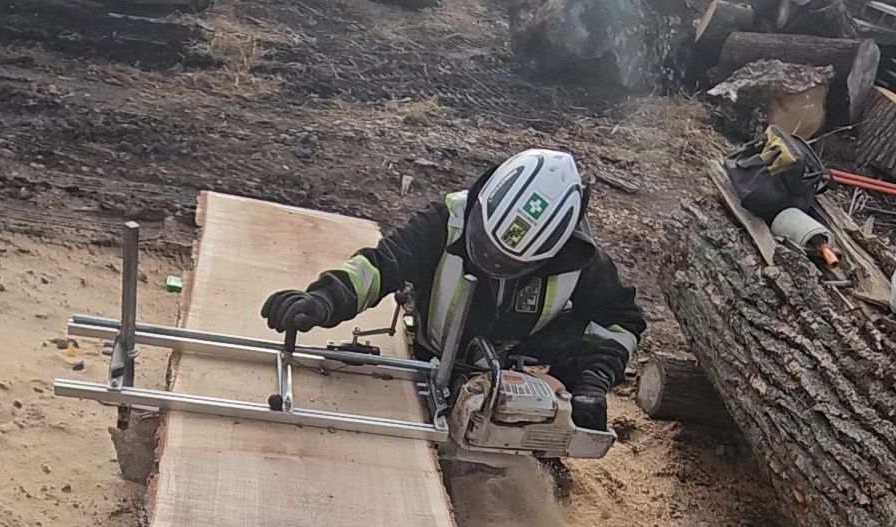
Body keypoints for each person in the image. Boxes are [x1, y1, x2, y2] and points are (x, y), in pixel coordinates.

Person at [262, 148, 644, 432]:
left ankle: (545, 431)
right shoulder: (447, 220)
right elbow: (382, 265)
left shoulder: (580, 260)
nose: (492, 263)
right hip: (433, 354)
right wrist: (326, 299)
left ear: (553, 252)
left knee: (585, 344)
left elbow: (621, 323)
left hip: (514, 363)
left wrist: (591, 382)